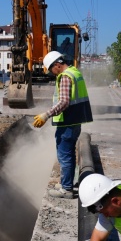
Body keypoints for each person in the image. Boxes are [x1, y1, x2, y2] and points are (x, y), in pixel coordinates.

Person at [32, 51, 92, 199]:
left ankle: (66, 189)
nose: (51, 73)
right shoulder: (74, 72)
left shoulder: (65, 76)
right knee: (67, 153)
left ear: (57, 65)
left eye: (51, 70)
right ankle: (66, 183)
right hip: (74, 120)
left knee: (65, 155)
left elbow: (64, 102)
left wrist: (46, 115)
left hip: (68, 121)